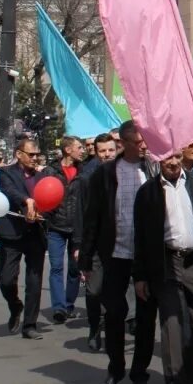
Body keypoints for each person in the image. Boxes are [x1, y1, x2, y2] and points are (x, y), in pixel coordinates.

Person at [80, 121, 158, 384]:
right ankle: (115, 371)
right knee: (114, 314)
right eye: (138, 142)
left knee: (146, 320)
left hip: (147, 258)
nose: (144, 146)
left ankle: (140, 375)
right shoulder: (104, 175)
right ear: (124, 144)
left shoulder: (153, 169)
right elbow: (92, 217)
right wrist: (85, 257)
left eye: (145, 140)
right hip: (115, 254)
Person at [132, 148, 193, 384]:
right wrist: (140, 276)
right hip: (165, 263)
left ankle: (188, 364)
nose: (173, 162)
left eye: (177, 157)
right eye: (167, 157)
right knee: (172, 323)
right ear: (158, 160)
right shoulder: (147, 193)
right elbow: (141, 238)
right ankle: (174, 383)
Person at [0, 139, 49, 339]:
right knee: (6, 279)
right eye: (31, 154)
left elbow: (51, 197)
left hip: (35, 233)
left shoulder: (43, 176)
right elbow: (10, 190)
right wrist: (27, 202)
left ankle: (30, 324)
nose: (35, 158)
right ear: (19, 154)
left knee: (34, 281)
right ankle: (15, 305)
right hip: (12, 232)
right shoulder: (6, 172)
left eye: (37, 155)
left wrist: (43, 211)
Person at [76, 133, 118, 352]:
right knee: (93, 291)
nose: (107, 155)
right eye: (102, 151)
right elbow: (81, 215)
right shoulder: (87, 178)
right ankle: (94, 326)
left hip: (120, 244)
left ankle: (113, 331)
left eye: (110, 150)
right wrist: (78, 246)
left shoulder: (126, 174)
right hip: (95, 244)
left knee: (115, 292)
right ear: (96, 152)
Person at [44, 136, 85, 323]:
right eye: (79, 147)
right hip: (56, 227)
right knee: (56, 267)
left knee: (75, 269)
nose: (82, 150)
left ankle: (69, 304)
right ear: (68, 150)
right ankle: (59, 308)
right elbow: (42, 195)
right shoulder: (50, 171)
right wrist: (48, 215)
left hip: (77, 227)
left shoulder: (84, 171)